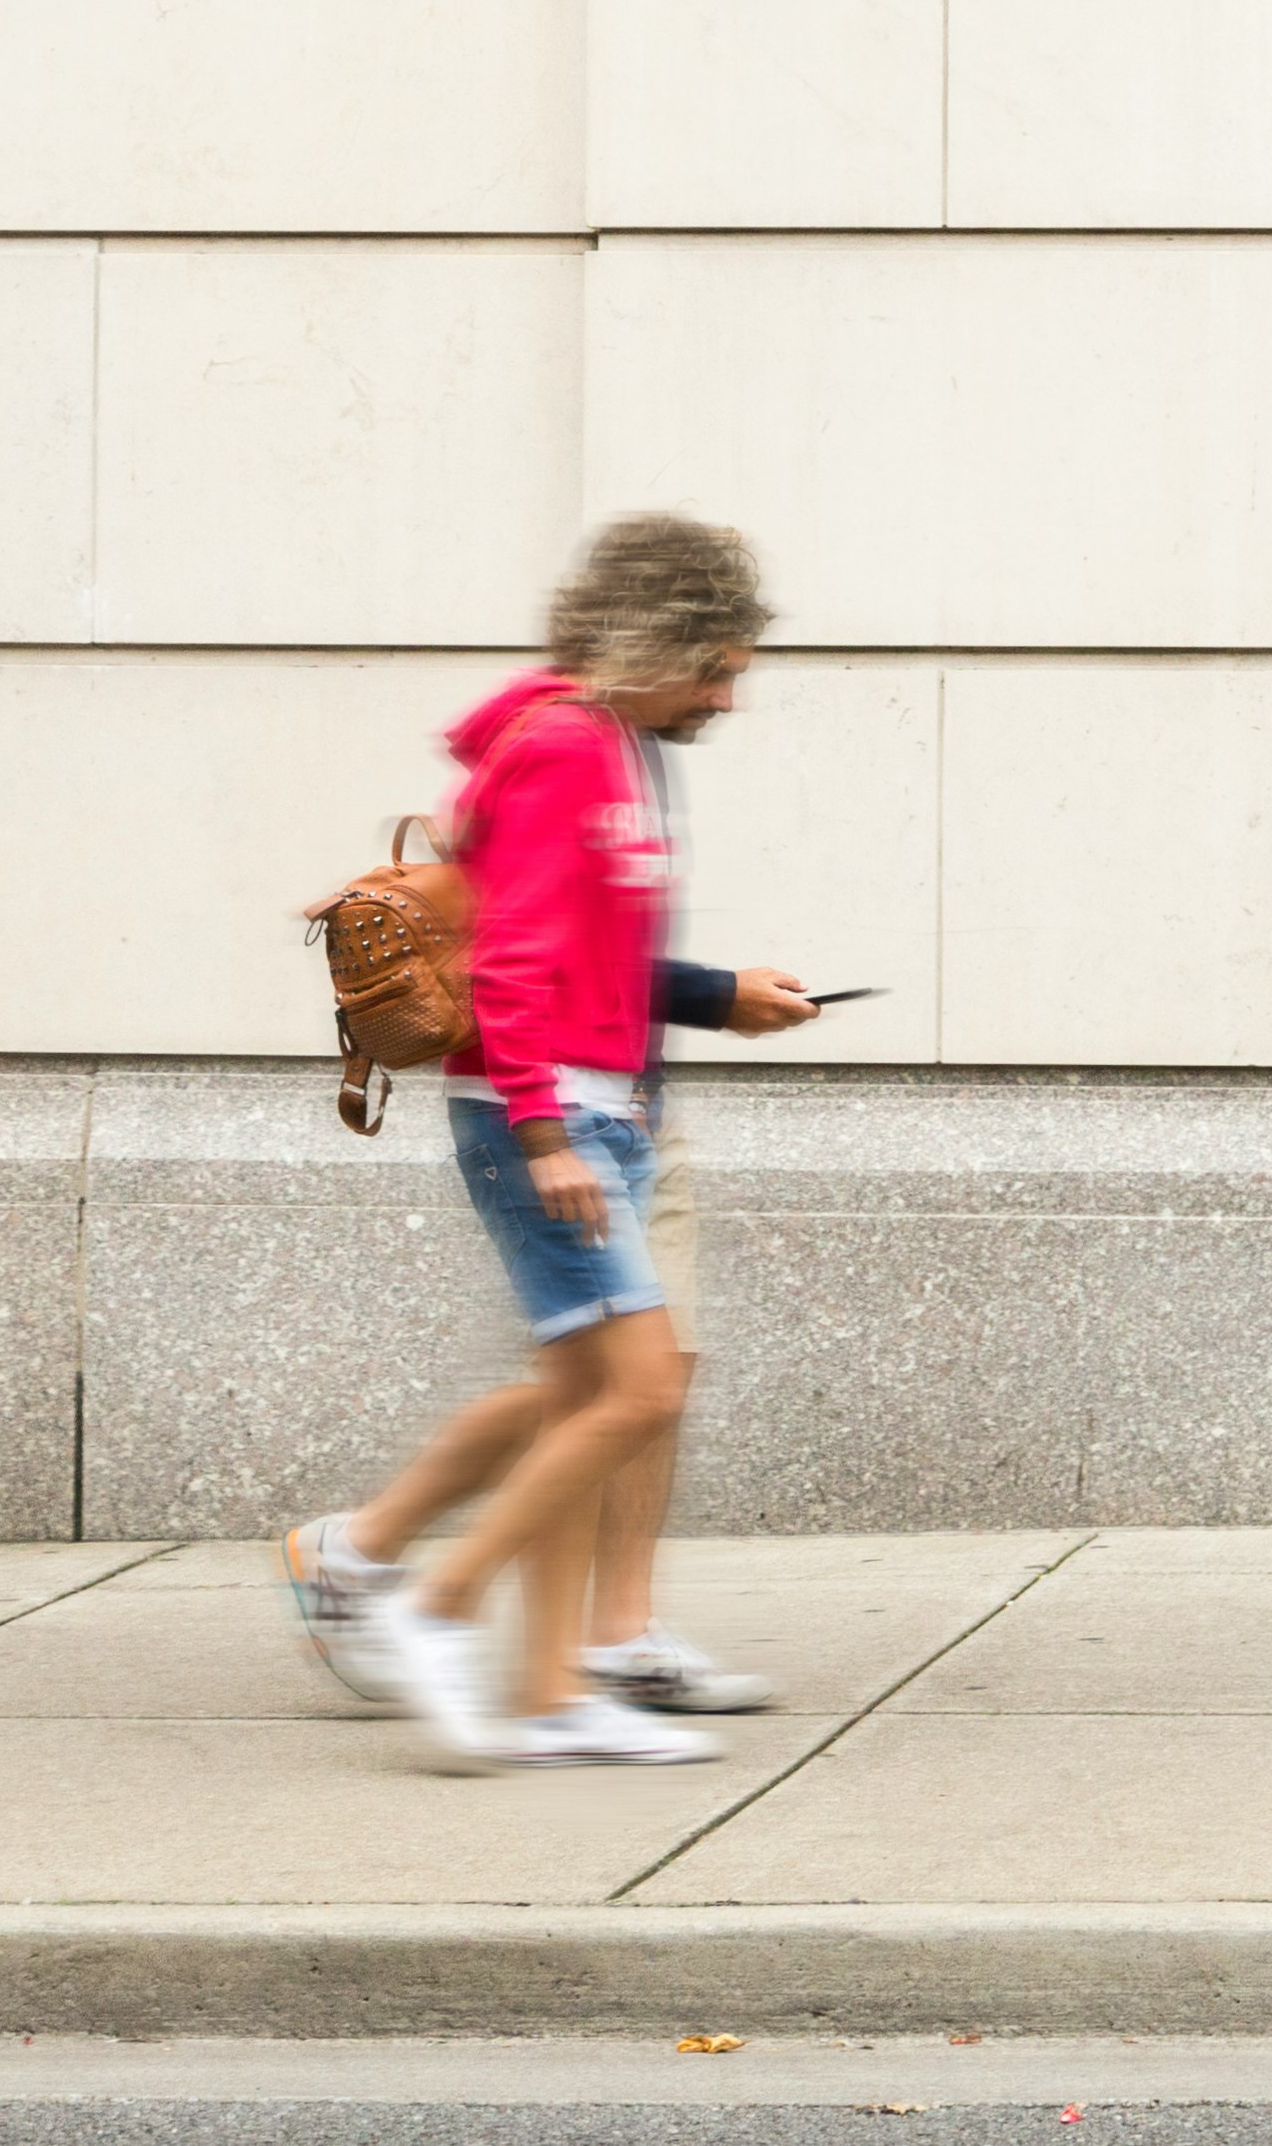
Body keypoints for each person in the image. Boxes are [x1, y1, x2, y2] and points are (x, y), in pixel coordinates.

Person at [281, 515, 780, 1769]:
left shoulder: (599, 743)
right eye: (715, 667)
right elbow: (509, 958)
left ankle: (556, 1693)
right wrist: (547, 1128)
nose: (728, 694)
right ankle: (436, 1606)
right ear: (656, 643)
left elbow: (585, 951)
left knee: (586, 1400)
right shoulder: (565, 748)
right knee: (643, 1390)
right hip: (547, 1113)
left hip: (594, 1103)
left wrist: (708, 1005)